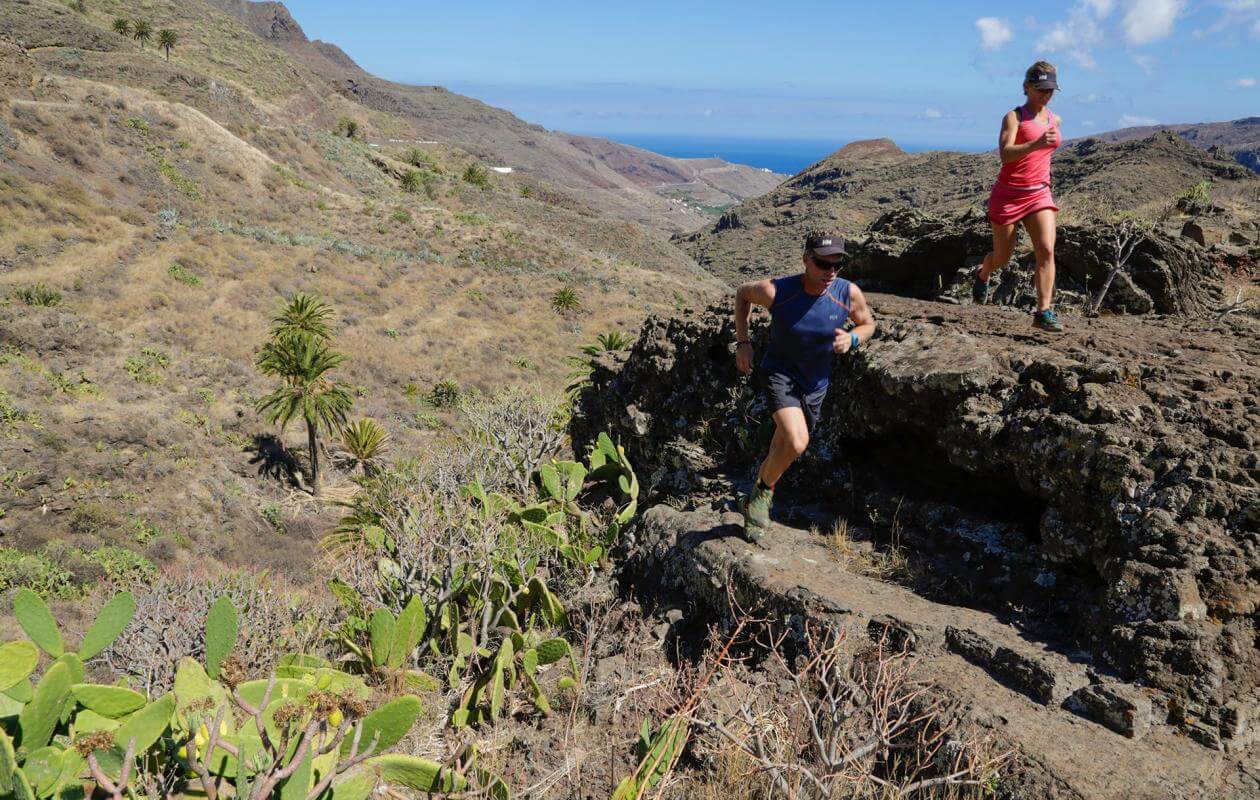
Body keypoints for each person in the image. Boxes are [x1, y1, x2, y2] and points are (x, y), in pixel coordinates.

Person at [733, 233, 876, 543]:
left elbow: (868, 324)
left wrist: (853, 338)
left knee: (782, 446)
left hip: (816, 384)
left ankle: (751, 501)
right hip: (779, 374)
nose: (831, 271)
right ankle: (759, 499)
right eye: (823, 263)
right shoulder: (777, 291)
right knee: (797, 443)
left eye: (837, 264)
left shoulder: (847, 293)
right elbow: (742, 294)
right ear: (806, 260)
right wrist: (743, 343)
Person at [973, 61, 1065, 333]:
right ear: (1027, 87)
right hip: (1008, 196)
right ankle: (983, 274)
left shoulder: (1054, 119)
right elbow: (1005, 154)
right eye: (1040, 89)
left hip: (1039, 194)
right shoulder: (1014, 117)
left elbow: (1044, 155)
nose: (1045, 95)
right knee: (1002, 258)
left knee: (1046, 249)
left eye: (1050, 90)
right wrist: (1035, 144)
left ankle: (1043, 312)